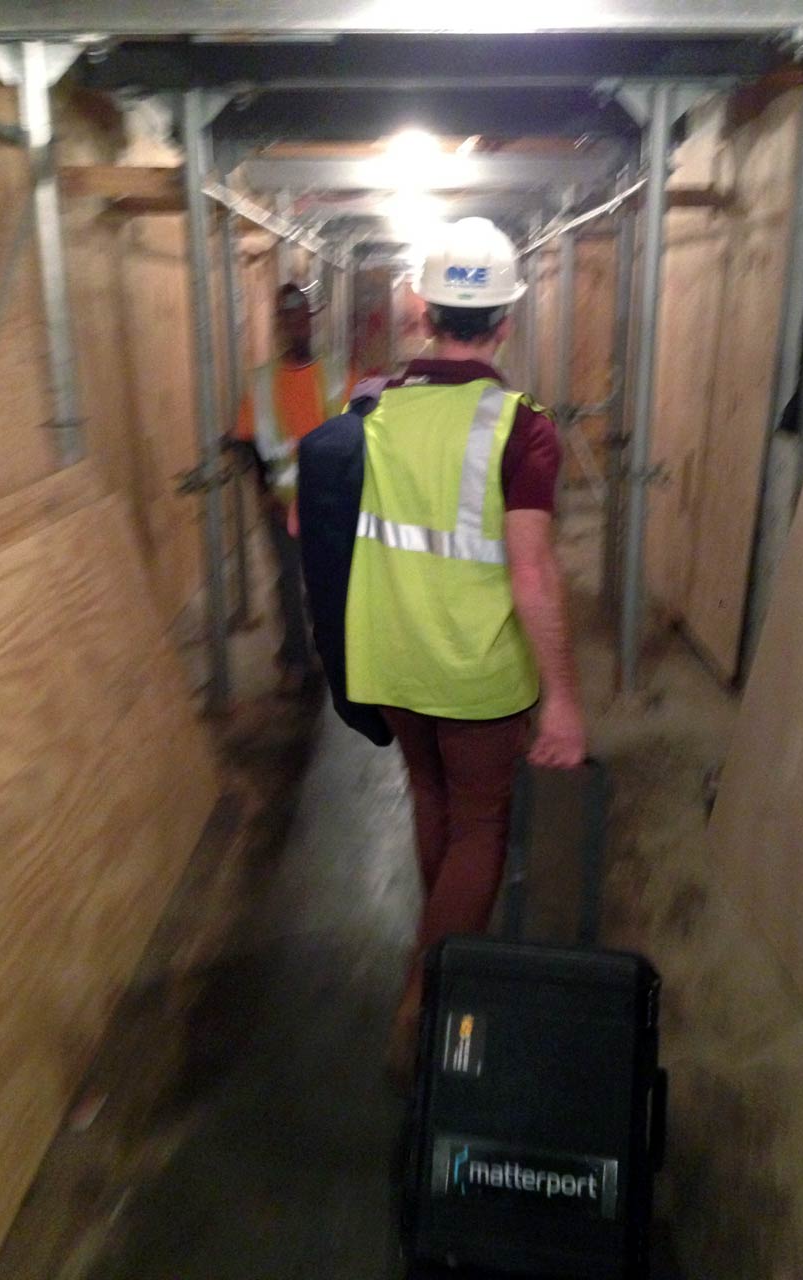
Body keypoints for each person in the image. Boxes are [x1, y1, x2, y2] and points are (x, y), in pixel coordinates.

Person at [327, 217, 588, 1083]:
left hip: (392, 658)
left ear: (423, 312)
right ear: (506, 321)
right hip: (474, 671)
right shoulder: (521, 426)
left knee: (433, 804)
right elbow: (533, 573)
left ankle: (441, 940)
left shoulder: (372, 408)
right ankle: (429, 993)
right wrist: (562, 697)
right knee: (482, 825)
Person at [231, 282, 346, 691]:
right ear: (279, 324)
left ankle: (330, 653)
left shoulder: (336, 373)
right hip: (284, 503)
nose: (295, 324)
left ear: (310, 320)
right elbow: (248, 442)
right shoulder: (262, 382)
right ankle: (296, 660)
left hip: (330, 505)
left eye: (300, 316)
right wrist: (264, 492)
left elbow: (356, 434)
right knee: (288, 580)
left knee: (328, 582)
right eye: (286, 317)